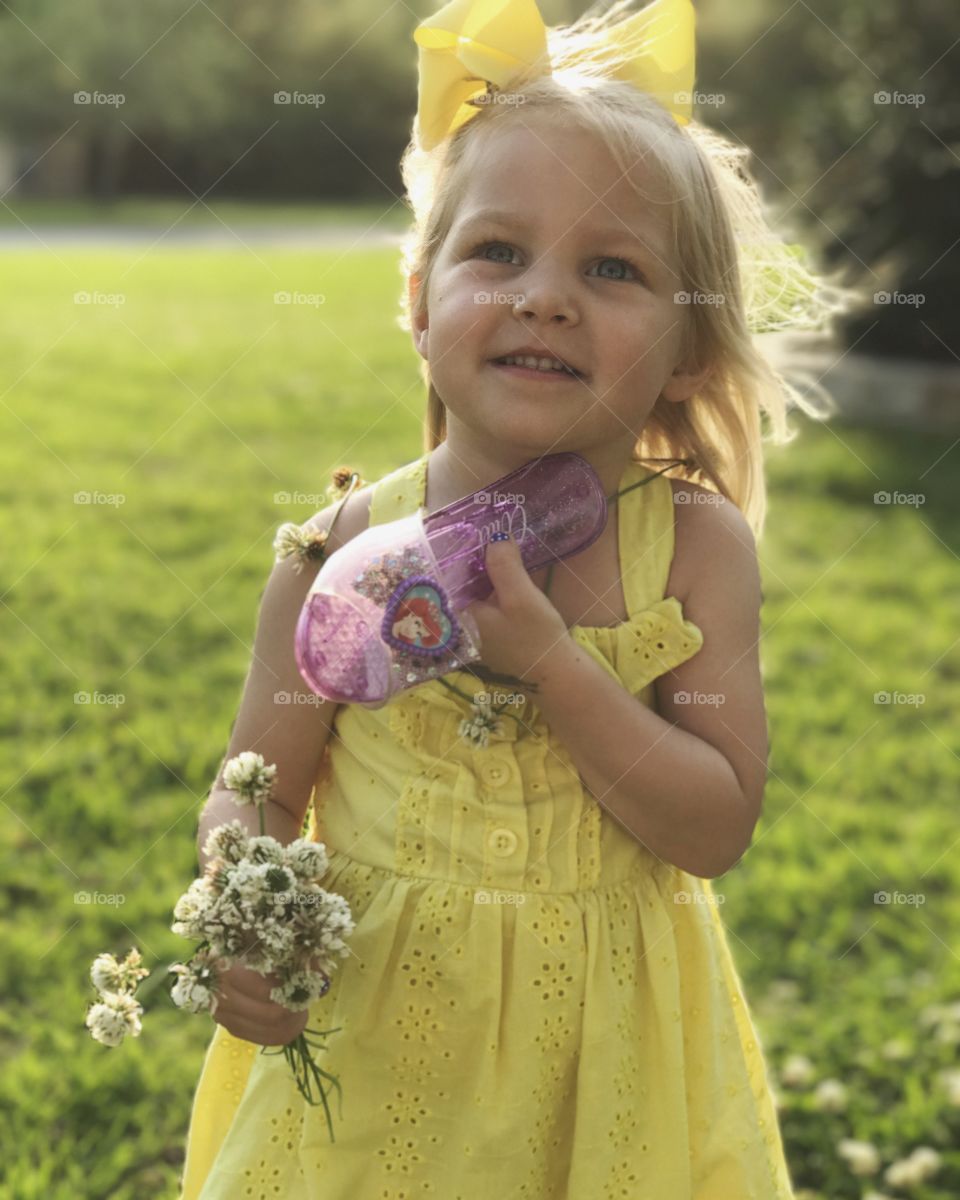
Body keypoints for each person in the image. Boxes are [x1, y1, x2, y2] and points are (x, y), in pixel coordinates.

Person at [178, 0, 854, 1196]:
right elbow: (258, 791)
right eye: (498, 252)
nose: (547, 296)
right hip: (379, 1047)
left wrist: (554, 663)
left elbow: (714, 824)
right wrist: (250, 916)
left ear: (691, 351)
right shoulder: (335, 547)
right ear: (418, 300)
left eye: (612, 268)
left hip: (607, 1071)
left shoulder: (694, 546)